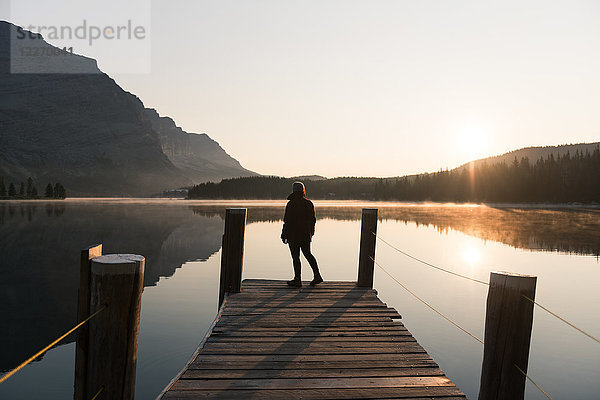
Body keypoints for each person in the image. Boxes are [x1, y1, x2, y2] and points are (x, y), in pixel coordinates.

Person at [281, 181, 323, 287]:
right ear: (303, 190)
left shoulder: (291, 204)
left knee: (296, 257)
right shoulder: (308, 203)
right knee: (308, 254)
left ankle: (297, 279)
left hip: (293, 235)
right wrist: (311, 233)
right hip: (305, 234)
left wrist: (284, 235)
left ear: (293, 191)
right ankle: (317, 275)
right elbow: (313, 220)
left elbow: (287, 221)